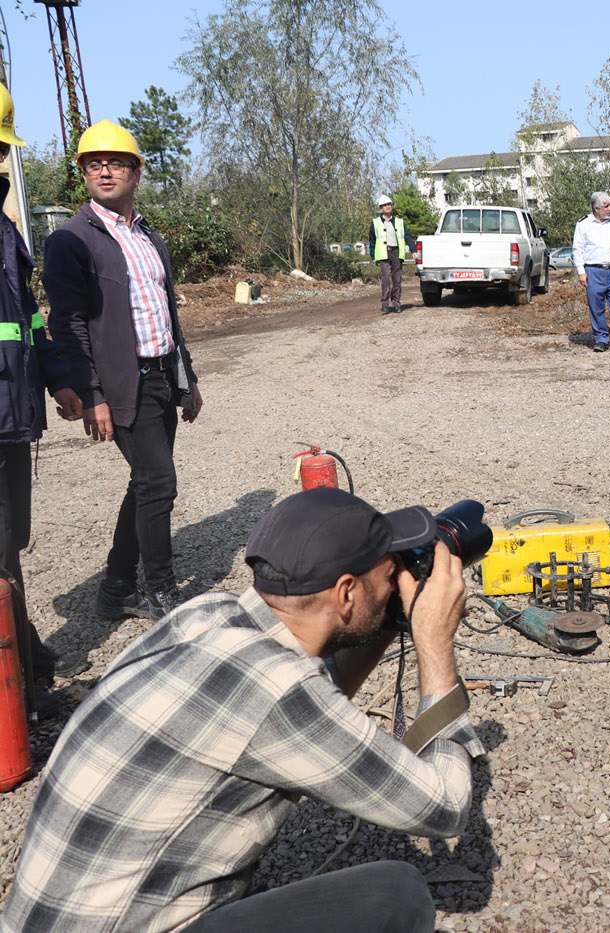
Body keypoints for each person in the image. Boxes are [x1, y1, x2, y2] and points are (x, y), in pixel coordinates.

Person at [1, 487, 481, 932]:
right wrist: (433, 643)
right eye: (386, 574)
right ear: (346, 593)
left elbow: (312, 693)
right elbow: (444, 808)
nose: (396, 580)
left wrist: (386, 619)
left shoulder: (202, 616)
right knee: (397, 893)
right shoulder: (275, 687)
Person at [43, 119, 203, 622]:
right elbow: (66, 322)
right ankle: (159, 590)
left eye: (115, 163)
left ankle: (115, 589)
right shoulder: (71, 239)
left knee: (144, 484)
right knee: (159, 483)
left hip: (160, 374)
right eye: (94, 164)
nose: (104, 171)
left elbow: (165, 311)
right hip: (121, 381)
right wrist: (91, 392)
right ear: (84, 175)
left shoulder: (148, 236)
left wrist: (188, 377)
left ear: (136, 172)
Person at [0, 83, 87, 716]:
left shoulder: (5, 231)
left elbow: (29, 319)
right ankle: (17, 687)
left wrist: (57, 377)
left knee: (9, 545)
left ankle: (23, 660)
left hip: (13, 418)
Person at [573, 191, 610, 351]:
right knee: (596, 307)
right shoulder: (583, 224)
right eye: (606, 206)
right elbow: (577, 249)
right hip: (594, 271)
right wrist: (581, 272)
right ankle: (601, 340)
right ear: (596, 208)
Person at [370, 194, 413, 313]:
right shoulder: (375, 222)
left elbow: (407, 236)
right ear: (381, 208)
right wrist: (373, 256)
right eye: (385, 205)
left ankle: (396, 303)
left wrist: (414, 250)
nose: (387, 207)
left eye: (389, 204)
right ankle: (384, 302)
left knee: (397, 279)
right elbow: (372, 240)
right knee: (386, 279)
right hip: (383, 254)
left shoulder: (399, 222)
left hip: (396, 253)